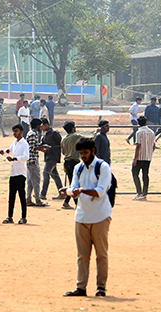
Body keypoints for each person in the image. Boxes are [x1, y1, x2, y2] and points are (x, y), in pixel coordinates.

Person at [60, 138, 113, 297]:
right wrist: (68, 191)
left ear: (93, 151)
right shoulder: (78, 168)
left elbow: (100, 191)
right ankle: (81, 287)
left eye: (85, 153)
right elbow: (74, 188)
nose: (83, 156)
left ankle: (101, 287)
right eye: (81, 153)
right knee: (82, 255)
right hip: (81, 216)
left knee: (101, 255)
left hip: (100, 216)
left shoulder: (102, 167)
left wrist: (81, 191)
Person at [2, 124, 29, 224]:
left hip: (21, 173)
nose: (14, 133)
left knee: (22, 195)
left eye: (16, 131)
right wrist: (4, 152)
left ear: (21, 132)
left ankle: (23, 217)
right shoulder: (15, 142)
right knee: (11, 196)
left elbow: (26, 157)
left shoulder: (24, 143)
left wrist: (14, 158)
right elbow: (9, 150)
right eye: (14, 131)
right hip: (13, 173)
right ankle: (10, 216)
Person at [131, 117, 155, 201]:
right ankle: (144, 193)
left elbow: (138, 146)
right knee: (145, 175)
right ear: (146, 122)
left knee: (135, 173)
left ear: (138, 124)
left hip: (140, 157)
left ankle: (139, 192)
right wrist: (150, 152)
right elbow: (153, 145)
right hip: (148, 157)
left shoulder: (139, 132)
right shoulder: (152, 132)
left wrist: (135, 158)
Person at [60, 121, 83, 209]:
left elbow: (63, 152)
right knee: (75, 183)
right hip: (74, 162)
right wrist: (96, 133)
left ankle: (67, 202)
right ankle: (77, 203)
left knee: (72, 182)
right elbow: (88, 139)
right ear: (73, 128)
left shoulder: (64, 139)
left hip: (66, 162)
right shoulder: (76, 136)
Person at [25, 119, 48, 207]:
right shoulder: (33, 134)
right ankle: (37, 199)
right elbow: (32, 148)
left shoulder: (30, 133)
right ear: (37, 125)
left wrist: (41, 148)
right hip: (33, 160)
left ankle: (28, 199)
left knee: (30, 181)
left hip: (30, 160)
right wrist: (41, 147)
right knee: (36, 180)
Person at [40, 119, 64, 200]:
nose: (41, 128)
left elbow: (60, 144)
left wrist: (50, 148)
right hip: (48, 157)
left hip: (53, 157)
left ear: (46, 125)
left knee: (45, 173)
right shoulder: (46, 134)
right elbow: (42, 144)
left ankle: (43, 194)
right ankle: (62, 193)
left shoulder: (54, 133)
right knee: (54, 175)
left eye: (42, 126)